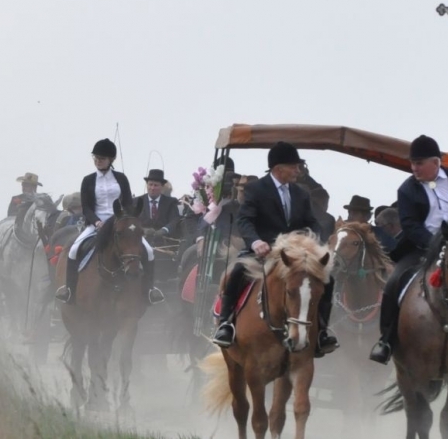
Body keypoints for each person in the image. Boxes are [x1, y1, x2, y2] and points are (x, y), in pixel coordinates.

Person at [211, 141, 338, 356]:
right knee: (237, 272)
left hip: (294, 254)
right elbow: (245, 220)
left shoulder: (301, 193)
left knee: (328, 279)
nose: (298, 171)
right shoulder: (256, 189)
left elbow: (312, 222)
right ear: (279, 168)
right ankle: (226, 324)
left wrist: (316, 241)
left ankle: (322, 331)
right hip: (264, 250)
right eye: (294, 166)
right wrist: (255, 242)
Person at [370, 134, 448, 364]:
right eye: (412, 163)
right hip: (423, 246)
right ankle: (386, 340)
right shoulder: (406, 190)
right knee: (394, 282)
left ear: (436, 162)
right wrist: (435, 244)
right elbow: (410, 225)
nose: (414, 169)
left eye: (419, 163)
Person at [55, 139, 162, 306]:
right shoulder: (88, 180)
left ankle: (149, 291)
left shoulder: (121, 178)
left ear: (111, 159)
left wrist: (130, 219)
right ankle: (68, 290)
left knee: (148, 251)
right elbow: (86, 207)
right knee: (73, 250)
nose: (98, 161)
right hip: (96, 223)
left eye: (102, 158)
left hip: (119, 222)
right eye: (96, 158)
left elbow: (127, 203)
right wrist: (97, 222)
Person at [135, 170, 181, 237]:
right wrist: (142, 230)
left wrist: (164, 230)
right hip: (140, 240)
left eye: (156, 185)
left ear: (162, 186)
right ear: (147, 185)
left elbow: (175, 220)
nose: (152, 188)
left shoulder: (171, 202)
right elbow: (130, 222)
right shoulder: (136, 202)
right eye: (150, 184)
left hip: (164, 240)